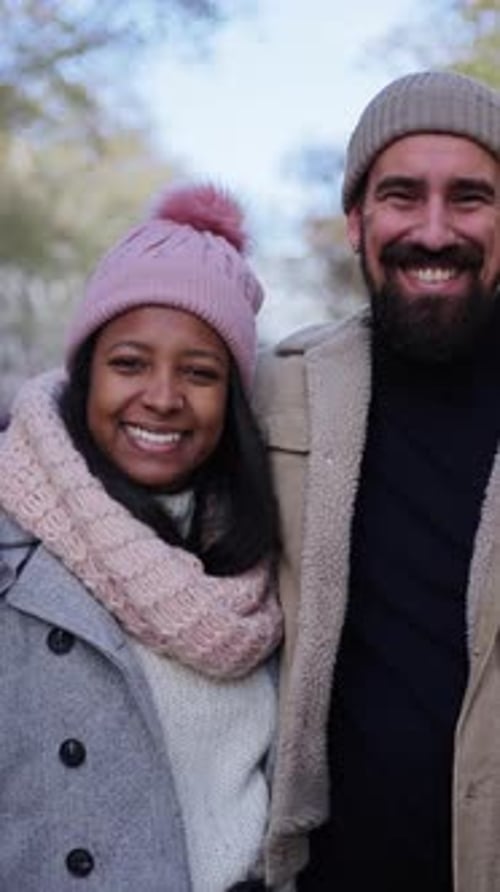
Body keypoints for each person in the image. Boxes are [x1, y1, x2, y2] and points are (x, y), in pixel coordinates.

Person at [254, 70, 500, 892]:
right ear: (356, 222)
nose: (434, 231)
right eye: (402, 196)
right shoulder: (279, 389)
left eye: (469, 197)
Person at [0, 183, 284, 892]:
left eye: (200, 373)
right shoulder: (14, 540)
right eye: (129, 363)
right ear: (85, 372)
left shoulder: (265, 559)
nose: (162, 397)